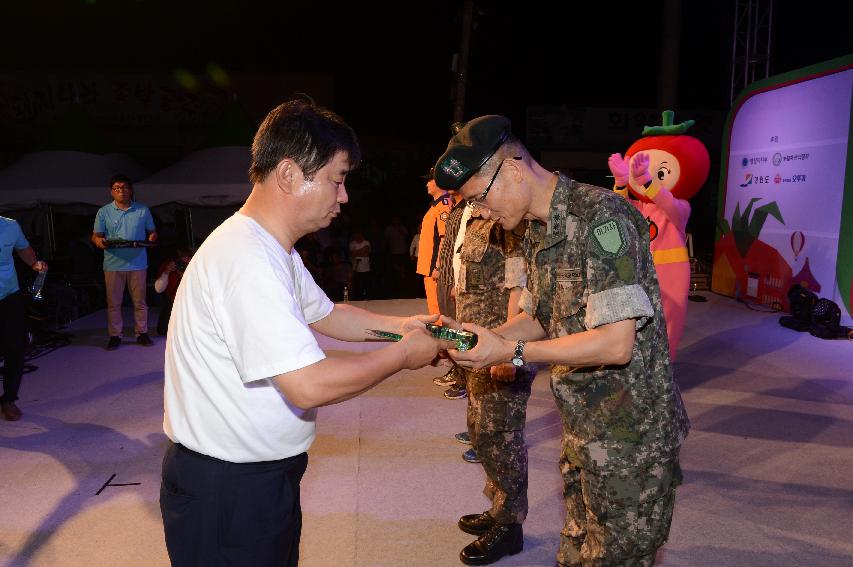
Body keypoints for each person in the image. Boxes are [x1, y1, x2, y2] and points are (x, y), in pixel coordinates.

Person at [160, 99, 444, 567]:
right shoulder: (246, 259)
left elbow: (327, 315)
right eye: (337, 178)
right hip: (228, 491)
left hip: (254, 479)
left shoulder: (273, 250)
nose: (344, 195)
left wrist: (406, 327)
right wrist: (404, 356)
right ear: (290, 175)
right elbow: (307, 384)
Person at [436, 115, 690, 567]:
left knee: (615, 557)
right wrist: (488, 339)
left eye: (479, 198)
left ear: (512, 170)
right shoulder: (535, 229)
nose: (481, 213)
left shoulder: (602, 219)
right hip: (582, 427)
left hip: (630, 439)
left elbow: (616, 344)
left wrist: (512, 351)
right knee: (575, 554)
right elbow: (539, 316)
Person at [452, 208, 535, 566]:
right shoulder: (470, 214)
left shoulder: (509, 216)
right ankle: (499, 506)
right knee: (481, 430)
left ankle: (510, 525)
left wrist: (507, 354)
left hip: (500, 345)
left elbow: (521, 287)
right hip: (478, 343)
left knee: (500, 433)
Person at [91, 174, 157, 350]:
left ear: (131, 190)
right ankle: (115, 335)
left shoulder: (143, 210)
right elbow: (96, 236)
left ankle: (142, 332)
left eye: (124, 187)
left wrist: (151, 239)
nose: (121, 191)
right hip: (113, 264)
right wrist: (99, 242)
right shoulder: (104, 211)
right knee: (114, 303)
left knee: (140, 301)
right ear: (111, 192)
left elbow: (152, 232)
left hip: (138, 263)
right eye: (117, 188)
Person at [1, 216, 47, 421]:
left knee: (15, 348)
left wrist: (34, 263)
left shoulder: (10, 225)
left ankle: (9, 399)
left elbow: (23, 249)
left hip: (8, 295)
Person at [415, 168, 453, 314]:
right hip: (429, 267)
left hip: (434, 268)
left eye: (429, 180)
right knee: (434, 308)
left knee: (438, 310)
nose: (427, 184)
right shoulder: (436, 206)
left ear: (439, 182)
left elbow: (445, 237)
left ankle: (440, 336)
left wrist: (438, 266)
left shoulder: (444, 204)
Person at [153, 247, 193, 336]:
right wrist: (166, 272)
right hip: (172, 302)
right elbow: (158, 289)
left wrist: (185, 275)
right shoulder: (168, 266)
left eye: (186, 261)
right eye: (180, 261)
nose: (182, 265)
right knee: (163, 330)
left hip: (189, 304)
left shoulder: (194, 266)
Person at [348, 229, 371, 300]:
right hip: (356, 268)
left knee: (366, 284)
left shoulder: (366, 242)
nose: (358, 236)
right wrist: (361, 251)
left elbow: (366, 253)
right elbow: (352, 254)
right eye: (356, 234)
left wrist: (356, 252)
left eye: (359, 234)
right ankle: (358, 299)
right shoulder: (352, 243)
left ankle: (366, 297)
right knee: (357, 285)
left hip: (366, 268)